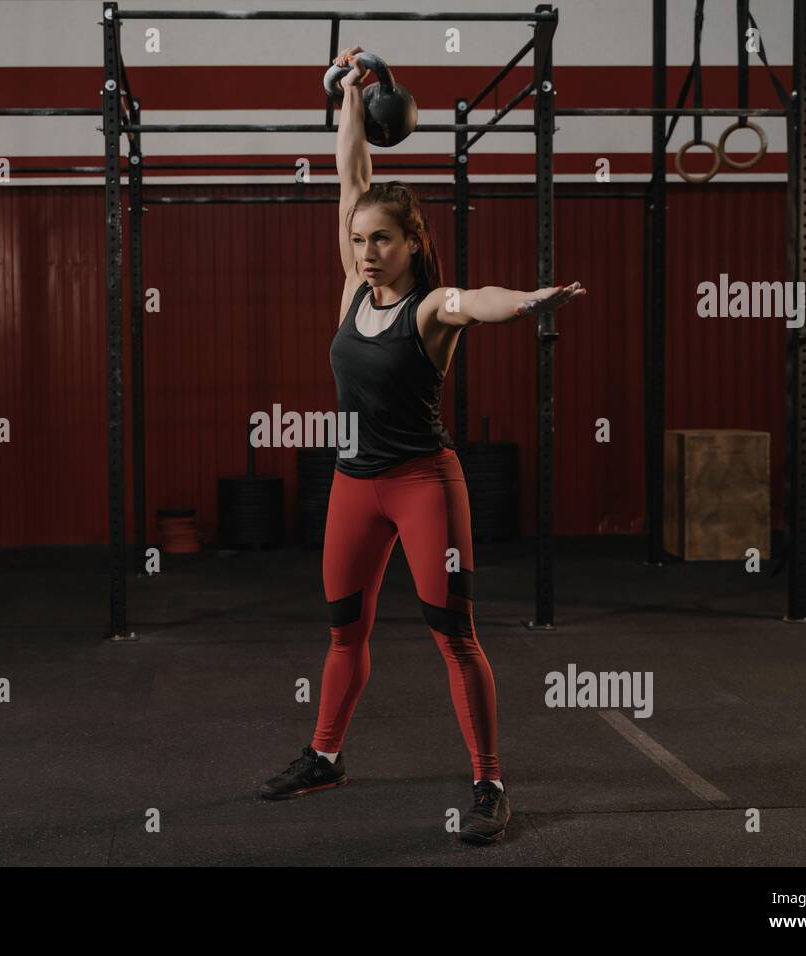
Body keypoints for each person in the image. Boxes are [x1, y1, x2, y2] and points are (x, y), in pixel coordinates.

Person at [259, 47, 587, 845]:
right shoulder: (353, 288)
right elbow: (350, 176)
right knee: (344, 630)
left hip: (422, 485)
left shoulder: (432, 307)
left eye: (381, 240)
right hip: (352, 486)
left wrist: (531, 300)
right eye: (359, 240)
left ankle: (489, 783)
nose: (366, 251)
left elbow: (481, 300)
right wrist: (350, 93)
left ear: (411, 242)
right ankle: (325, 756)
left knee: (455, 635)